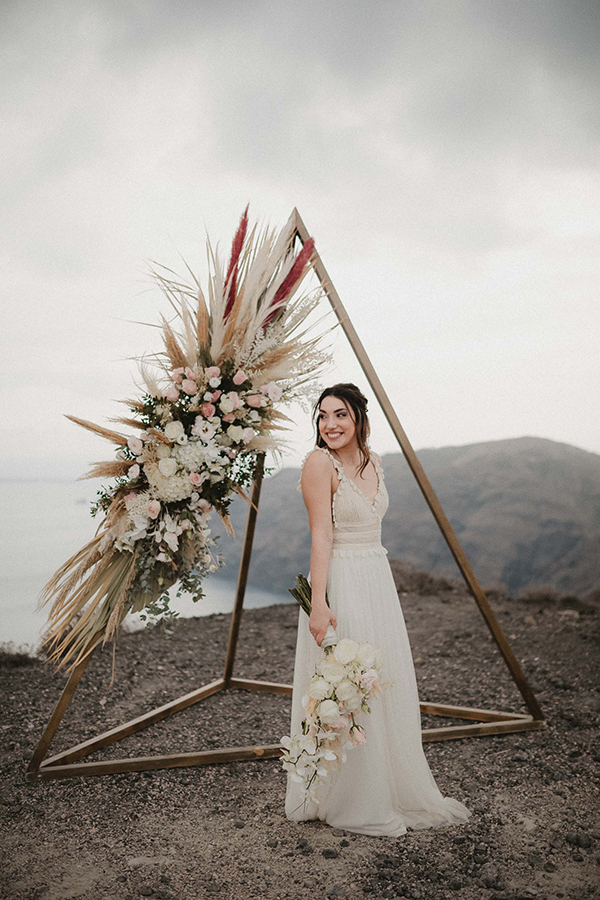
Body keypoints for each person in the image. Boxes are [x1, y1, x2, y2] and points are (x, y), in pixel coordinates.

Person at [284, 382, 472, 836]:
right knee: (346, 683)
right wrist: (320, 604)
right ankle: (350, 798)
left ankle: (387, 785)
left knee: (380, 680)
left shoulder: (375, 463)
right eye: (323, 416)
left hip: (377, 578)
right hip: (343, 580)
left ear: (359, 419)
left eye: (340, 415)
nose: (330, 425)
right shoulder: (317, 464)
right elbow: (321, 536)